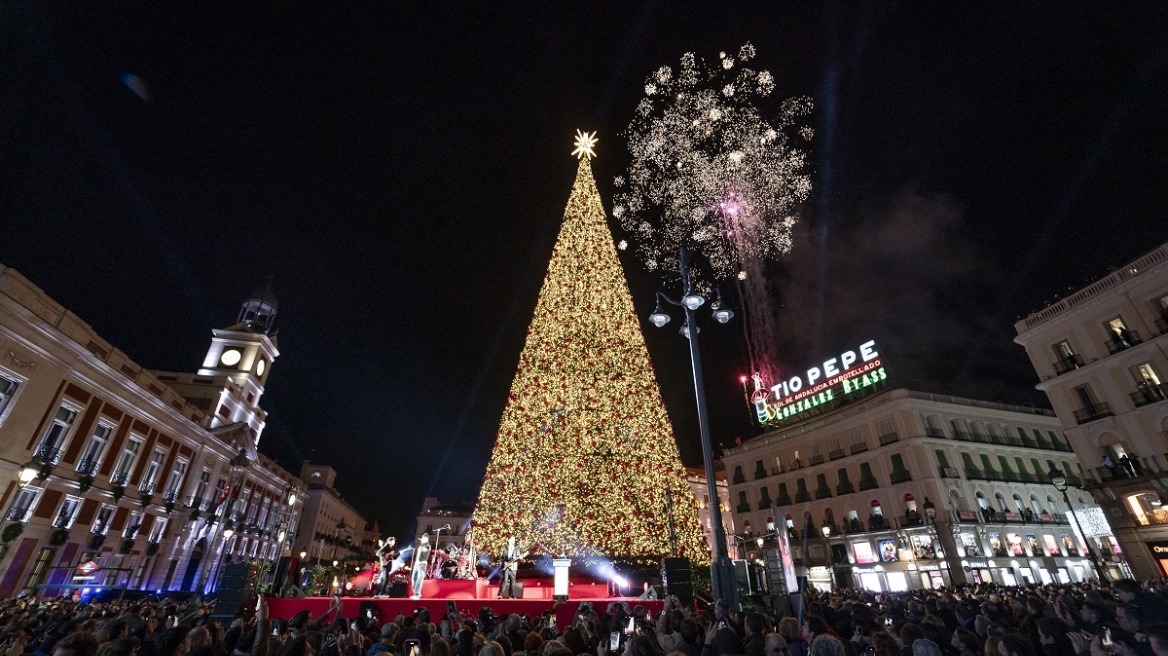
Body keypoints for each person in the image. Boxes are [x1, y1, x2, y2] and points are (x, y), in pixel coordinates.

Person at [411, 534, 432, 600]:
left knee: (419, 579)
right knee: (413, 579)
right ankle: (415, 593)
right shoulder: (420, 546)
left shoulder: (427, 546)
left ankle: (417, 594)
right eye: (423, 538)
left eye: (425, 539)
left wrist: (424, 548)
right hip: (416, 564)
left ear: (427, 540)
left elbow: (426, 552)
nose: (424, 539)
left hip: (422, 564)